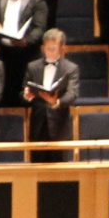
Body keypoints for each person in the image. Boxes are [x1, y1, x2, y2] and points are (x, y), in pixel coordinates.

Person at [23, 26, 77, 156]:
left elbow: (72, 93)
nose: (50, 52)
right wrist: (27, 96)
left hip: (60, 127)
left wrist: (56, 102)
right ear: (42, 48)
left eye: (53, 49)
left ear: (62, 48)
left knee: (61, 174)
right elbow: (25, 90)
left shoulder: (70, 68)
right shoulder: (32, 67)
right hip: (37, 127)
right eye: (47, 49)